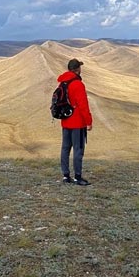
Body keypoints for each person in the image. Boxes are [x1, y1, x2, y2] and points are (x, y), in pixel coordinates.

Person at [58, 57, 93, 186]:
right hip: (77, 122)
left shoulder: (62, 83)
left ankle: (66, 176)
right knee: (78, 149)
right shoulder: (78, 84)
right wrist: (88, 121)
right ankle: (78, 177)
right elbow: (83, 105)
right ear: (77, 69)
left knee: (65, 148)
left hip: (65, 121)